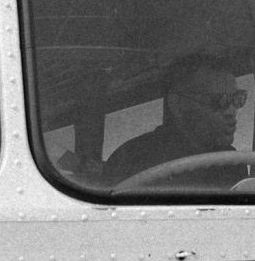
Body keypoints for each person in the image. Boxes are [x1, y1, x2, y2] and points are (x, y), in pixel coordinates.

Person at [104, 53, 245, 183]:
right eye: (219, 100)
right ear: (177, 104)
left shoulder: (232, 162)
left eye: (237, 99)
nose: (231, 111)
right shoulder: (131, 158)